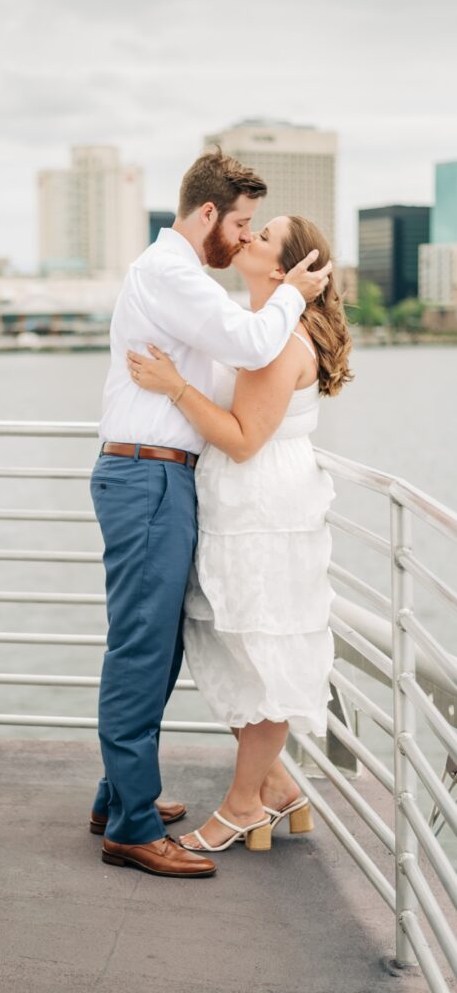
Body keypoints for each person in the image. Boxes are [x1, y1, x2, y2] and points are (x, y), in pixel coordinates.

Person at [91, 150, 332, 879]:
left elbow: (255, 354)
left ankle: (122, 800)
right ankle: (131, 825)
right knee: (142, 650)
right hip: (147, 477)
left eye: (257, 228)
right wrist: (296, 290)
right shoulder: (168, 276)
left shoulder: (190, 284)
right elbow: (254, 342)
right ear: (207, 216)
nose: (244, 235)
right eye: (241, 222)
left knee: (155, 649)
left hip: (168, 480)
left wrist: (283, 298)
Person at [126, 214, 352, 854]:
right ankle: (278, 785)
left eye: (263, 235)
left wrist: (173, 388)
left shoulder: (281, 342)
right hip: (247, 503)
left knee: (260, 651)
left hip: (262, 507)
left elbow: (245, 439)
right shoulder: (262, 327)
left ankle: (243, 804)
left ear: (282, 270)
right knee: (234, 641)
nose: (247, 238)